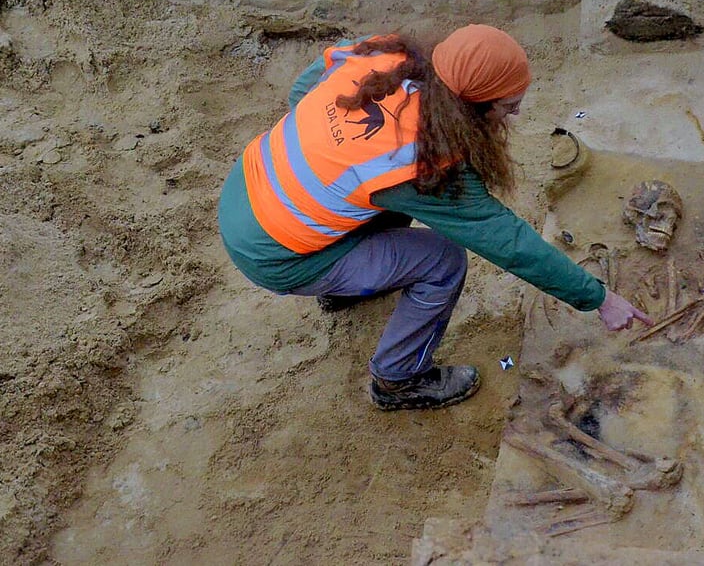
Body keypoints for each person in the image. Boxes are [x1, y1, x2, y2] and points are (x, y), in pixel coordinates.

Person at [217, 24, 652, 411]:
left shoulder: (383, 54)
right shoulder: (422, 162)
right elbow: (508, 242)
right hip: (278, 255)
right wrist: (599, 299)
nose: (516, 115)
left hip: (246, 188)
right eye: (508, 107)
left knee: (374, 191)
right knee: (443, 261)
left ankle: (345, 287)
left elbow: (303, 90)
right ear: (474, 106)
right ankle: (398, 379)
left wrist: (333, 148)